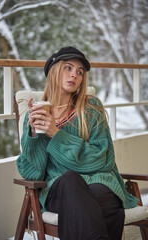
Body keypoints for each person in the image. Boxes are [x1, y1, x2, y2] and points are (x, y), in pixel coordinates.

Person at [17, 46, 139, 240]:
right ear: (54, 71)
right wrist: (34, 135)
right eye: (68, 68)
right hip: (61, 189)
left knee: (90, 199)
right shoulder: (36, 115)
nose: (75, 75)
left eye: (79, 72)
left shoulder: (91, 108)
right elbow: (32, 173)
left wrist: (56, 134)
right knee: (70, 179)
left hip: (99, 183)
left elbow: (102, 159)